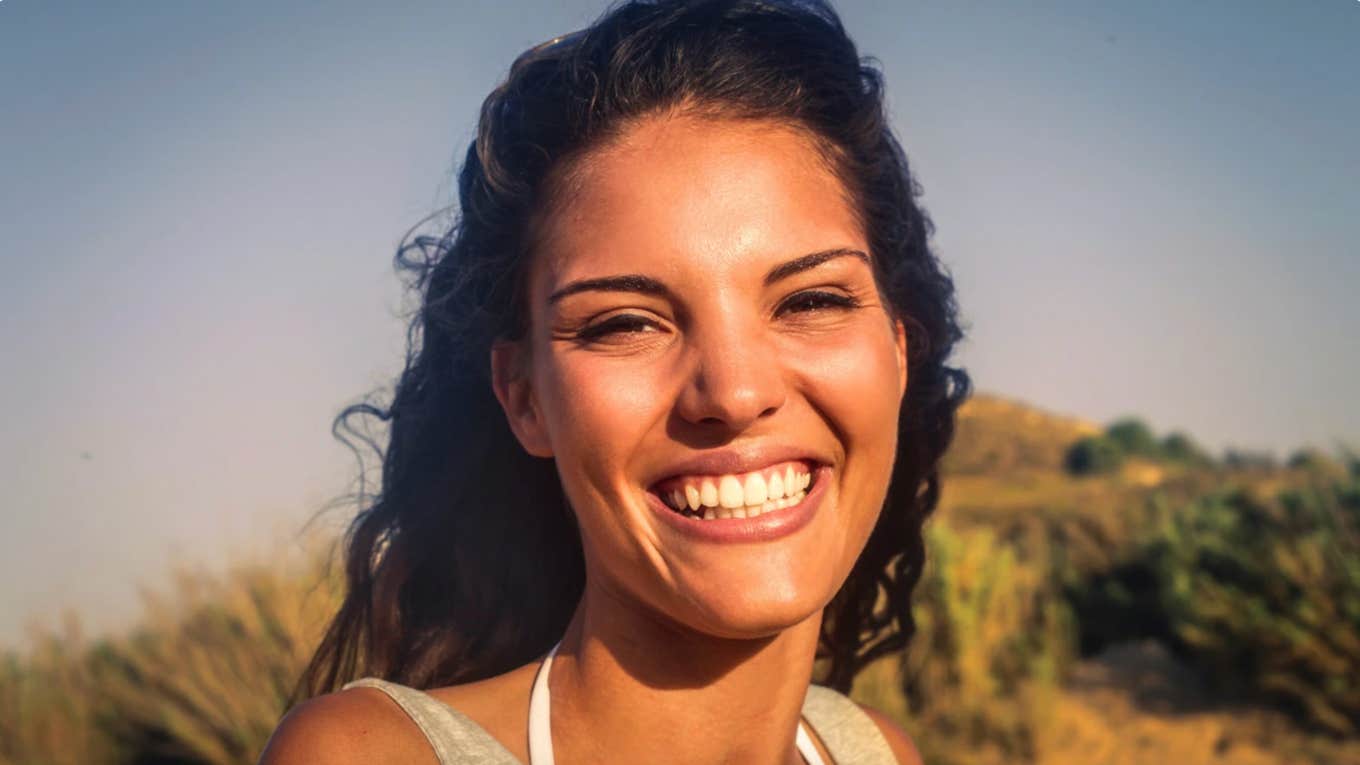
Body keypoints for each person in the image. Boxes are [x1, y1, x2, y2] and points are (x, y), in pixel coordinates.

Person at [261, 0, 967, 762]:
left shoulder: (875, 752)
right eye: (625, 323)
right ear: (524, 396)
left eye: (810, 301)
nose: (732, 393)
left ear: (899, 352)